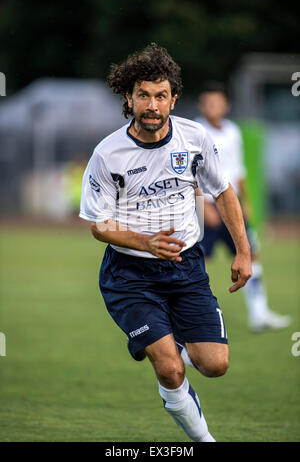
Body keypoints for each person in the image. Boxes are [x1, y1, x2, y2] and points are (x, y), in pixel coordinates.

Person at [79, 44, 252, 442]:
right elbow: (99, 227)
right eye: (143, 95)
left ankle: (164, 339)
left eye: (161, 95)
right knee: (171, 369)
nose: (152, 105)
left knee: (215, 365)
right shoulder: (108, 154)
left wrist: (243, 251)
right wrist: (145, 242)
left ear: (174, 99)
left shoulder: (194, 138)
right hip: (129, 275)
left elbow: (223, 192)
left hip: (186, 268)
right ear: (129, 97)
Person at [195, 81, 291, 332]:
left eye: (217, 102)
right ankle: (194, 316)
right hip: (206, 208)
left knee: (250, 252)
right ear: (201, 106)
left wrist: (245, 202)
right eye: (208, 102)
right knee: (197, 261)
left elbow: (238, 171)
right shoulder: (194, 131)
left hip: (232, 204)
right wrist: (202, 207)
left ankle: (259, 314)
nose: (213, 107)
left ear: (226, 105)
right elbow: (188, 174)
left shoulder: (233, 132)